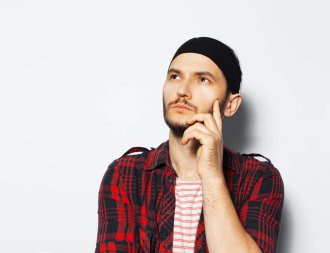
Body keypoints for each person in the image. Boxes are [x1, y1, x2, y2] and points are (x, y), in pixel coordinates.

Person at [94, 37, 284, 253]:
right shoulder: (126, 174)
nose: (182, 90)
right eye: (175, 76)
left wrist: (212, 176)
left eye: (203, 80)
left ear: (230, 105)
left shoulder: (258, 178)